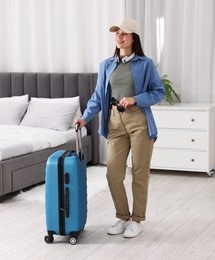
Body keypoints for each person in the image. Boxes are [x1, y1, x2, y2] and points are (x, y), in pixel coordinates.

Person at [74, 18, 165, 238]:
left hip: (138, 121)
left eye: (124, 33)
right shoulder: (106, 65)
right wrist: (84, 118)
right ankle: (122, 217)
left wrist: (135, 99)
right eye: (117, 33)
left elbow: (158, 92)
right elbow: (98, 97)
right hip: (114, 122)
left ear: (134, 38)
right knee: (113, 174)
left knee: (139, 172)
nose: (119, 37)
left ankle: (137, 220)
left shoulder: (145, 64)